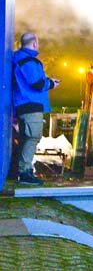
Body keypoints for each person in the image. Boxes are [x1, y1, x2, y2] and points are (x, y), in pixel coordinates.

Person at [11, 32, 60, 185]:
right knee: (32, 137)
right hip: (30, 105)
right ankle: (24, 172)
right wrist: (51, 83)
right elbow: (36, 83)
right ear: (34, 44)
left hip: (20, 104)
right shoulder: (28, 61)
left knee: (25, 138)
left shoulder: (15, 57)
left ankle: (17, 170)